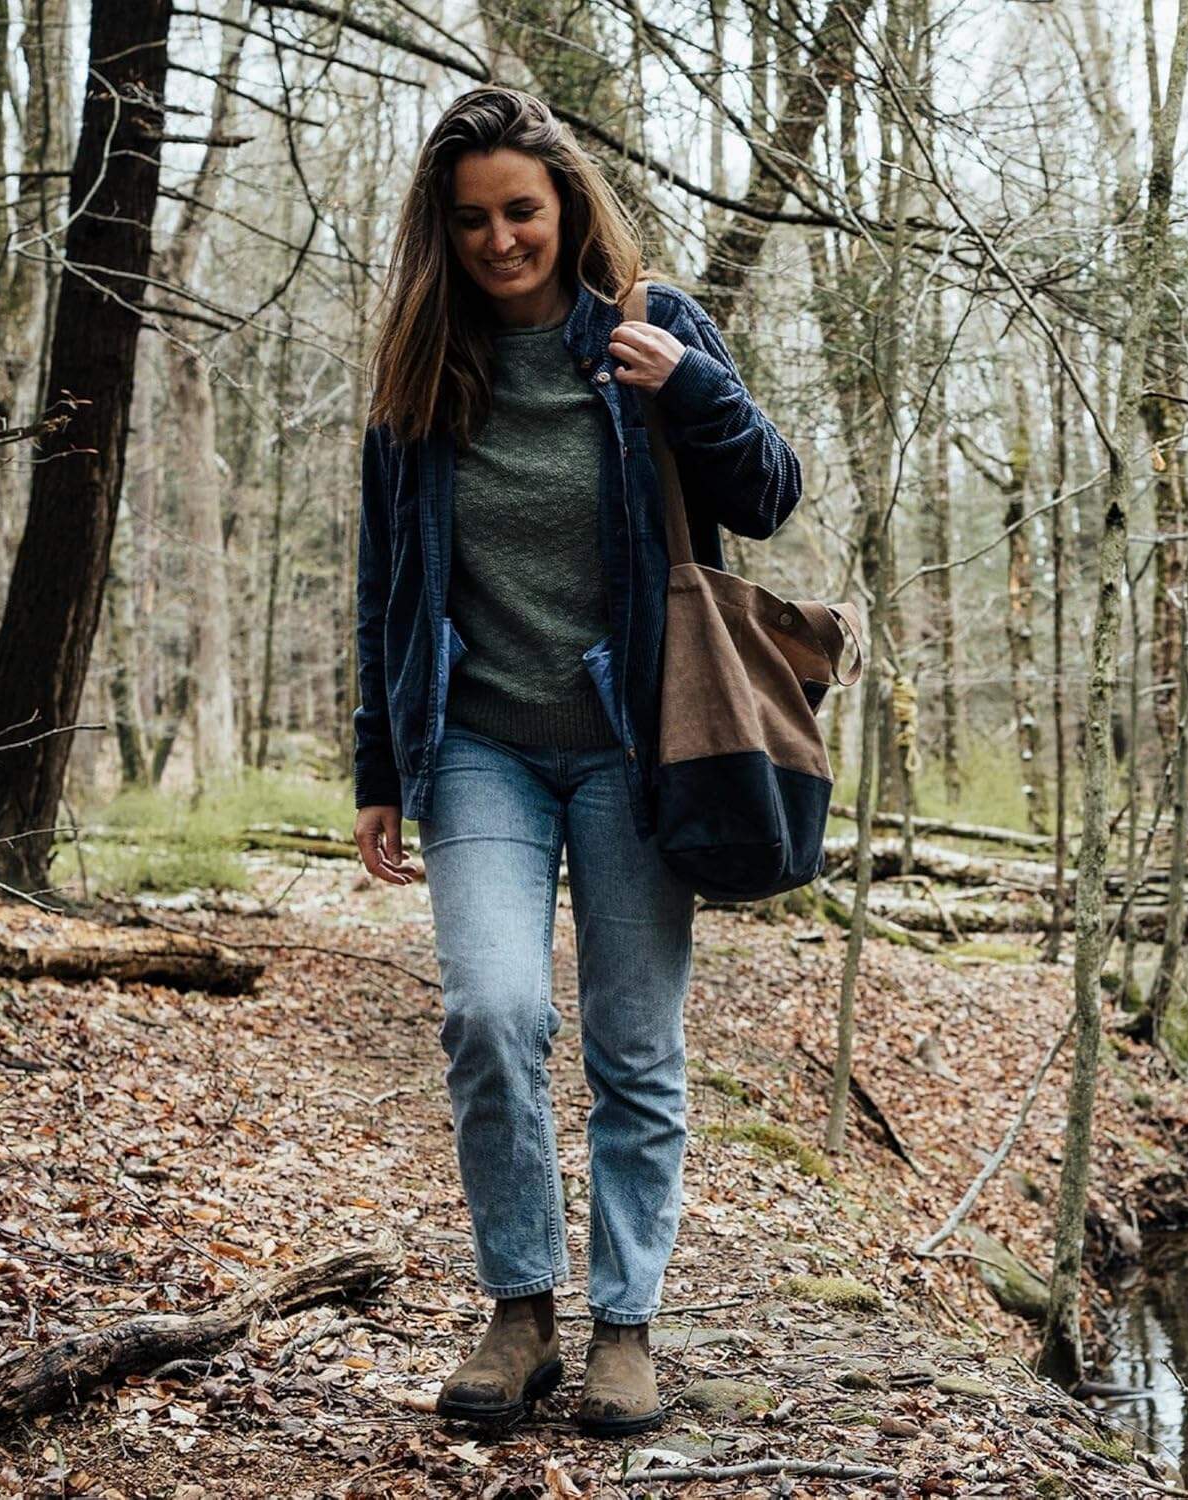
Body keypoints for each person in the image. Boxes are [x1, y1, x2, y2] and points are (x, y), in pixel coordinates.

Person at [352, 85, 803, 1437]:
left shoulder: (653, 331)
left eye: (523, 212)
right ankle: (520, 1313)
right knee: (493, 1014)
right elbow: (388, 582)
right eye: (474, 218)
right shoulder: (425, 366)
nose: (500, 240)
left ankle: (626, 1326)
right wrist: (380, 766)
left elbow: (769, 496)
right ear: (445, 230)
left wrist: (701, 390)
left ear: (566, 207)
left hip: (634, 746)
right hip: (480, 743)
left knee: (634, 1044)